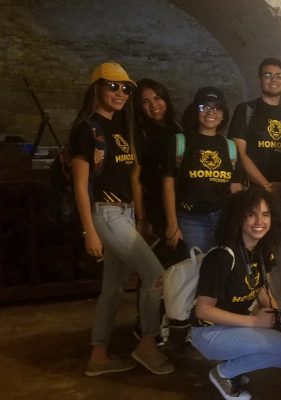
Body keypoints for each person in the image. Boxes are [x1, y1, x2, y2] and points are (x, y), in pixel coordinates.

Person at [70, 62, 173, 376]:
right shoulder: (86, 128)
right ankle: (148, 344)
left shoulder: (119, 126)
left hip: (124, 213)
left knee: (113, 289)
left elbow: (131, 176)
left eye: (126, 88)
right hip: (106, 212)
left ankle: (98, 355)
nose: (120, 93)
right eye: (112, 86)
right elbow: (80, 184)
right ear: (97, 88)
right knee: (156, 276)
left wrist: (139, 217)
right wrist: (89, 230)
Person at [191, 188, 281, 400]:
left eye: (265, 214)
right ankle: (224, 373)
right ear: (238, 217)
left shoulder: (261, 250)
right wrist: (254, 322)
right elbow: (203, 311)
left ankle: (235, 367)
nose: (260, 221)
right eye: (251, 214)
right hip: (209, 332)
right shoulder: (221, 256)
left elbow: (265, 294)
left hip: (236, 325)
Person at [229, 57, 281, 316]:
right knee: (251, 246)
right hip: (253, 192)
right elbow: (239, 152)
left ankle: (280, 298)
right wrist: (265, 185)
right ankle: (250, 299)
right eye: (268, 75)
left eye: (279, 75)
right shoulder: (247, 110)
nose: (274, 80)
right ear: (260, 79)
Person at [163, 87, 242, 252]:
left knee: (223, 264)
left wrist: (238, 221)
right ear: (195, 110)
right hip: (191, 220)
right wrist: (172, 224)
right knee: (197, 265)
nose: (210, 112)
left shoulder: (230, 146)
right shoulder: (180, 141)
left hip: (223, 218)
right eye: (204, 106)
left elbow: (235, 187)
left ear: (223, 114)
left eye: (217, 108)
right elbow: (168, 184)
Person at [136, 78, 182, 238]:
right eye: (145, 102)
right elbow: (136, 178)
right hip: (155, 205)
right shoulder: (141, 135)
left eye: (157, 98)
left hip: (180, 203)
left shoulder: (177, 128)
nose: (153, 105)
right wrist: (142, 218)